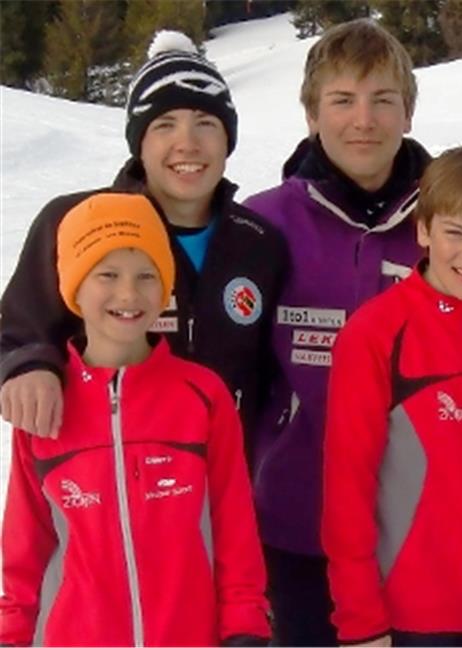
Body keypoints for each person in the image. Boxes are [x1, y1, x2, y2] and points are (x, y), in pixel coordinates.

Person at [0, 31, 288, 465]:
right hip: (104, 493)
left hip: (223, 489)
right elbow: (17, 331)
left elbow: (275, 370)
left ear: (228, 139)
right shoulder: (77, 223)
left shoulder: (258, 242)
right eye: (164, 125)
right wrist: (28, 366)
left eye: (206, 123)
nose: (187, 143)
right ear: (140, 142)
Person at [0, 193, 270, 647]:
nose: (128, 294)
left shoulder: (201, 396)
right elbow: (25, 547)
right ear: (73, 287)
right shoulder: (47, 400)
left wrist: (245, 626)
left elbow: (234, 528)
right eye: (107, 275)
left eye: (147, 275)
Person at [242, 18, 431, 645]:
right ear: (311, 114)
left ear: (408, 112)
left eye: (383, 100)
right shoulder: (262, 225)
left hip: (423, 527)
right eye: (342, 100)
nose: (364, 120)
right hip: (297, 525)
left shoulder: (448, 220)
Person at [322, 142, 462, 648]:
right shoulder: (377, 334)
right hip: (407, 618)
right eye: (455, 233)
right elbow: (347, 489)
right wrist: (360, 619)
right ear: (422, 230)